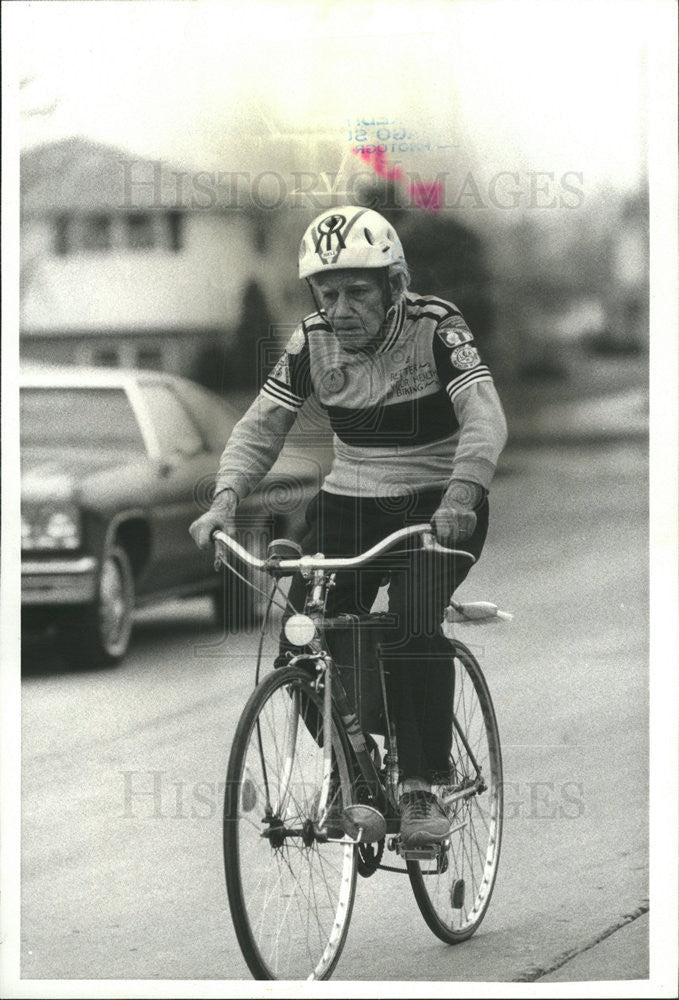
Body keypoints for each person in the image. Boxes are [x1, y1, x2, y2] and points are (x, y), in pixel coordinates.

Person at [190, 206, 507, 848]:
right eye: (327, 293)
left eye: (358, 291)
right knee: (303, 638)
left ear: (394, 285)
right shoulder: (312, 340)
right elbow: (261, 425)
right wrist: (225, 498)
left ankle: (421, 786)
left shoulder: (436, 327)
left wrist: (462, 492)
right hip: (349, 505)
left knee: (412, 617)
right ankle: (352, 774)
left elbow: (484, 416)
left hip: (438, 505)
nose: (340, 308)